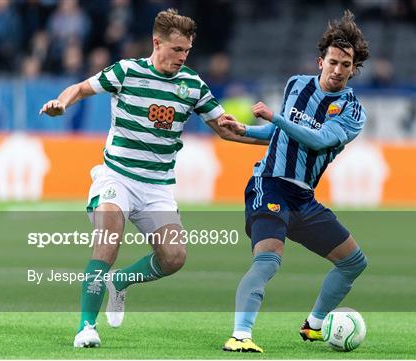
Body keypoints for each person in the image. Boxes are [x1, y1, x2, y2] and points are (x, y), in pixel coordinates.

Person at [39, 8, 257, 348]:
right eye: (176, 50)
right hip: (117, 176)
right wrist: (61, 103)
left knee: (174, 258)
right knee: (108, 239)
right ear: (157, 43)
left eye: (187, 51)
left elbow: (225, 131)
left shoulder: (192, 85)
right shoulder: (126, 72)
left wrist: (274, 136)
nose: (182, 57)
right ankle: (86, 327)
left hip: (158, 187)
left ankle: (121, 282)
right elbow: (81, 88)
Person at [217, 10, 370, 353]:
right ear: (320, 61)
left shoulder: (352, 112)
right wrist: (247, 130)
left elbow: (316, 140)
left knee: (354, 262)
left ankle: (314, 326)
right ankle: (241, 335)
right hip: (269, 183)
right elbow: (278, 134)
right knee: (269, 258)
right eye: (333, 62)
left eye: (346, 65)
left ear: (354, 68)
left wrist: (276, 117)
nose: (338, 70)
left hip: (303, 198)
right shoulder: (295, 85)